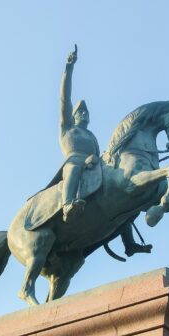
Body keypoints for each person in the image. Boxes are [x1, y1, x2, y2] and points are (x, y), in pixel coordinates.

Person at [58, 45, 99, 222]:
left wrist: (95, 160)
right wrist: (69, 68)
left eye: (86, 112)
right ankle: (67, 205)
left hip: (92, 166)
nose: (84, 114)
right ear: (73, 116)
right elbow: (65, 98)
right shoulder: (67, 128)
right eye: (80, 112)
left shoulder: (91, 136)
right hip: (73, 162)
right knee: (74, 169)